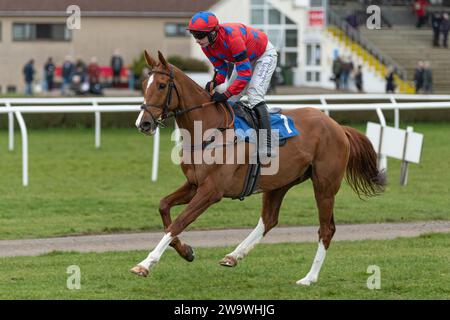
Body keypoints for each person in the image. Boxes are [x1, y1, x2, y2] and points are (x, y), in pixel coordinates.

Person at [187, 11, 278, 158]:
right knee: (231, 100)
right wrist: (214, 83)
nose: (197, 40)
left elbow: (245, 74)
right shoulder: (206, 46)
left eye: (199, 35)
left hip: (264, 55)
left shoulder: (232, 38)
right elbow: (222, 69)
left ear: (213, 33)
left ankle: (267, 144)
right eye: (194, 34)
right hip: (244, 60)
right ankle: (233, 138)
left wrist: (226, 93)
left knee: (254, 94)